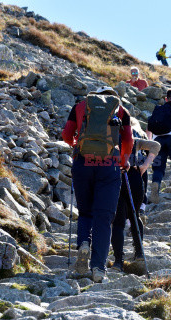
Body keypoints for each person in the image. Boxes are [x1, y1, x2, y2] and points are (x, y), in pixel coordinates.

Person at [62, 86, 134, 283]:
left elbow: (67, 134)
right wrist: (124, 160)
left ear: (95, 96)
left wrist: (77, 144)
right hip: (109, 167)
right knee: (103, 217)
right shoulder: (121, 110)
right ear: (113, 98)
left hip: (82, 163)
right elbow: (128, 140)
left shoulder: (80, 107)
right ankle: (98, 269)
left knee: (85, 212)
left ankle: (84, 242)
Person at [111, 121, 160, 271]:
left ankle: (118, 261)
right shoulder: (134, 138)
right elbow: (156, 146)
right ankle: (139, 253)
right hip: (134, 176)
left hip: (114, 177)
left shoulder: (107, 136)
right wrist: (144, 166)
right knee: (135, 214)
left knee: (118, 221)